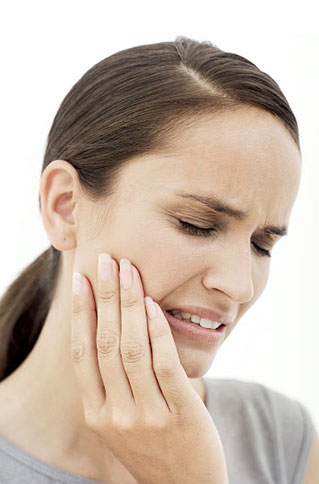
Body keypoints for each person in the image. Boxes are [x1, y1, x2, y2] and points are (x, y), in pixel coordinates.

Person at [0, 36, 317, 484]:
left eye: (262, 244)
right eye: (196, 223)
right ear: (65, 206)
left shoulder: (281, 439)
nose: (240, 286)